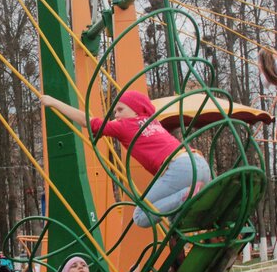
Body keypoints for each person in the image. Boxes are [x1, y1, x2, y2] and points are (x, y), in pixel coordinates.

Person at [40, 90, 211, 227]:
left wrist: (54, 102)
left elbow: (88, 122)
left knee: (140, 216)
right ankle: (190, 222)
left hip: (180, 168)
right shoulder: (153, 122)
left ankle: (187, 195)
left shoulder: (125, 126)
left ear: (136, 110)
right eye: (115, 111)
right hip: (200, 163)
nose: (116, 115)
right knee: (173, 210)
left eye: (120, 110)